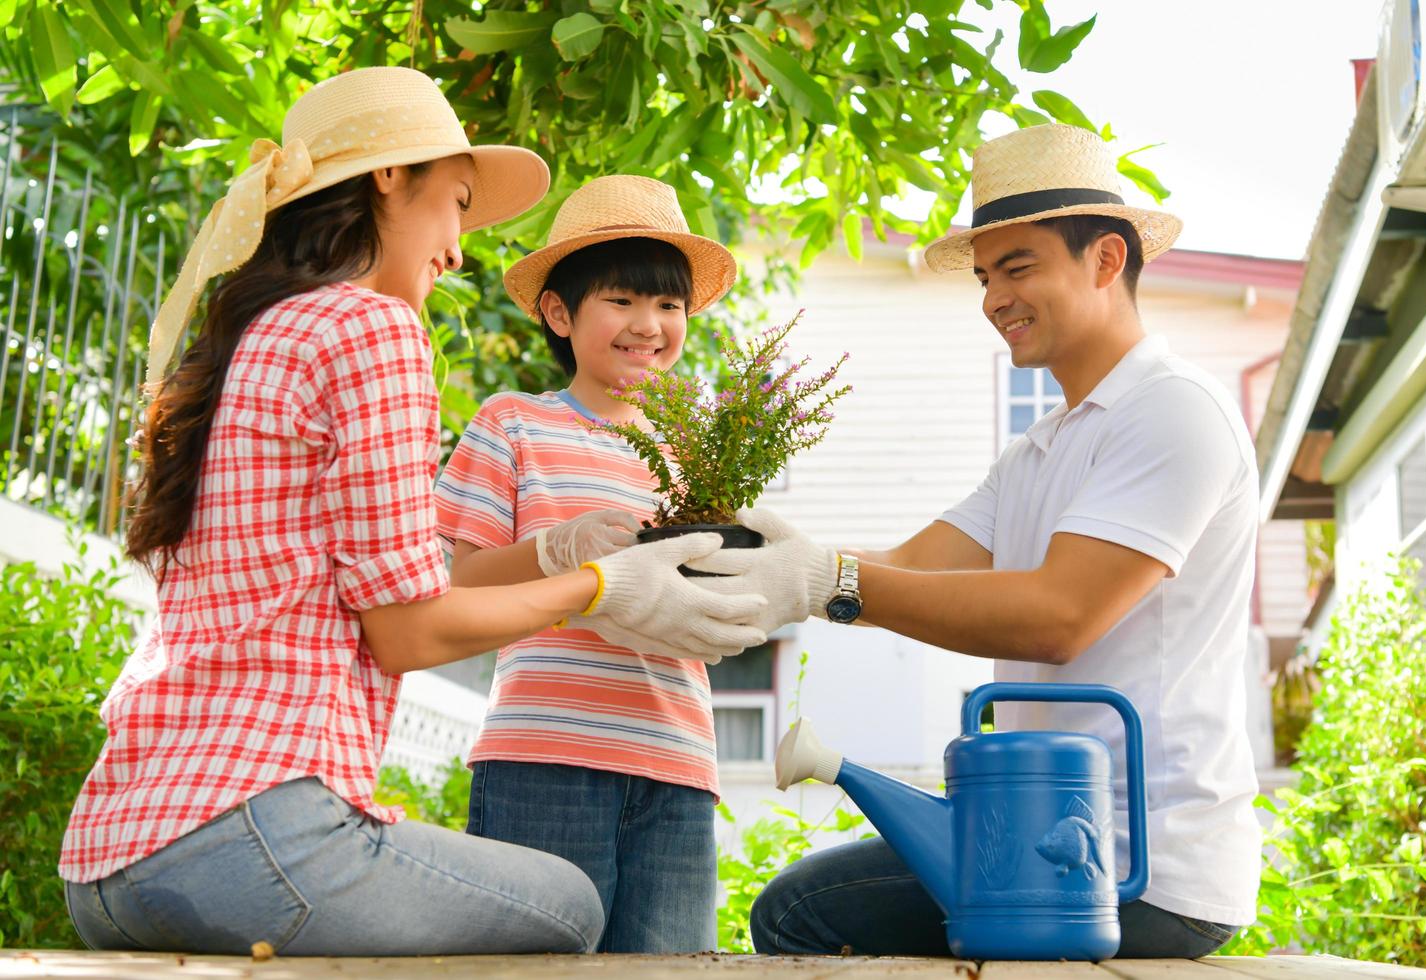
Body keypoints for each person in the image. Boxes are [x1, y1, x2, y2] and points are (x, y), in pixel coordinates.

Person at [58, 67, 765, 958]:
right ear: (391, 178)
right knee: (572, 907)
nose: (458, 247)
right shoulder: (373, 329)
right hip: (256, 834)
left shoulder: (243, 337)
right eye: (458, 203)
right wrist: (595, 581)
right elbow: (407, 630)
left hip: (111, 859)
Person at [702, 124, 1261, 958]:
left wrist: (825, 582)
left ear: (1107, 261)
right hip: (1047, 837)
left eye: (1019, 268)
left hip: (1136, 863)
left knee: (800, 914)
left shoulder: (1174, 411)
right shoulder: (1038, 450)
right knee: (804, 905)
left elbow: (1057, 617)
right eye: (985, 276)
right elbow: (912, 565)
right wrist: (747, 554)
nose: (994, 298)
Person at [433, 174, 739, 953]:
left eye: (668, 305)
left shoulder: (694, 453)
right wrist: (556, 547)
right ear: (560, 313)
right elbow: (458, 586)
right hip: (541, 755)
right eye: (623, 301)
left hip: (676, 762)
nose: (650, 325)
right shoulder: (514, 425)